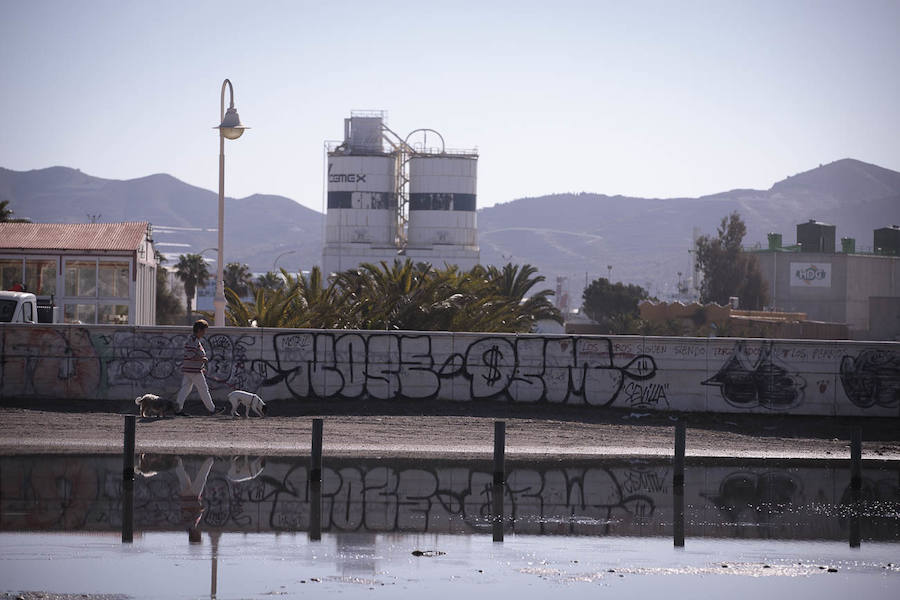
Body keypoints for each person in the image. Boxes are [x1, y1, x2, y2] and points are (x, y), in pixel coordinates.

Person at [175, 319, 219, 415]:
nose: (204, 333)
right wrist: (202, 359)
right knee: (203, 389)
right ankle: (212, 409)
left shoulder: (193, 340)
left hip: (190, 369)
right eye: (203, 330)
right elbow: (190, 355)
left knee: (185, 389)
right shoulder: (193, 341)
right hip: (193, 370)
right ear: (199, 330)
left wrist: (201, 363)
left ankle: (177, 409)